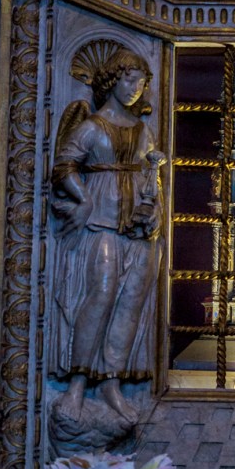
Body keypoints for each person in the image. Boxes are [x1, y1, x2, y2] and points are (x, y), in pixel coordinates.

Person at [50, 48, 162, 439]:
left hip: (136, 226)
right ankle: (77, 384)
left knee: (130, 303)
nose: (138, 88)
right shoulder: (92, 126)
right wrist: (82, 198)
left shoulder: (143, 130)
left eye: (143, 82)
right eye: (131, 80)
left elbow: (151, 175)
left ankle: (110, 382)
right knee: (99, 295)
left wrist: (150, 204)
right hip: (100, 221)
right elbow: (64, 165)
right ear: (113, 81)